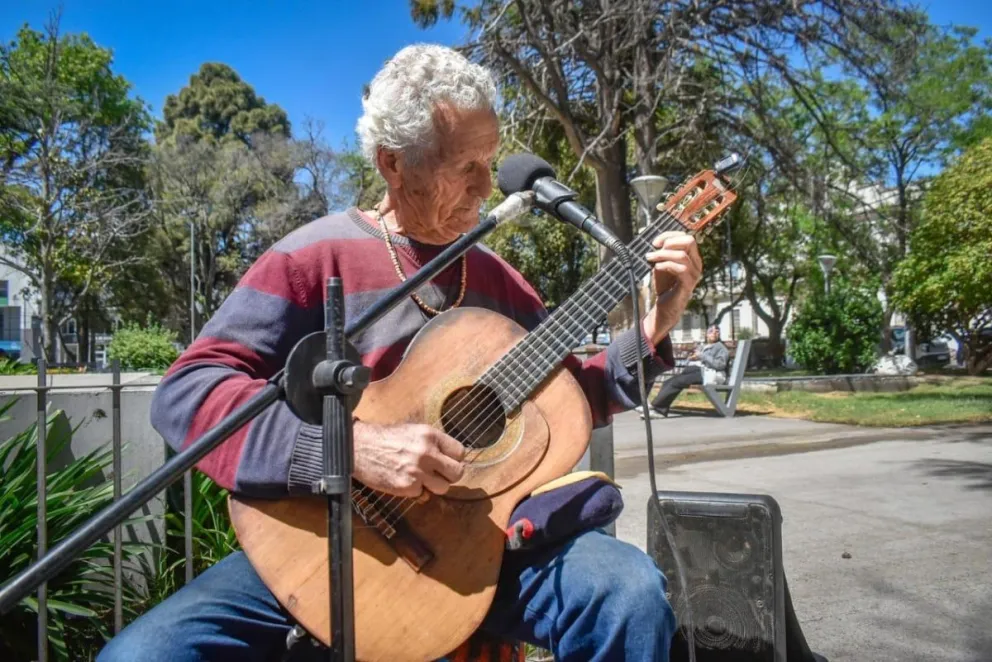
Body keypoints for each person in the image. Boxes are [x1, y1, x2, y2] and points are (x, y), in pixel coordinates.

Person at [98, 44, 703, 662]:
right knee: (141, 656)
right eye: (464, 164)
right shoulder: (312, 257)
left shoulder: (500, 280)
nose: (486, 184)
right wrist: (350, 448)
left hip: (473, 552)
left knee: (626, 592)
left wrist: (655, 323)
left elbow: (574, 395)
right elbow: (188, 391)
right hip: (320, 539)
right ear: (393, 162)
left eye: (490, 161)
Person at [648, 325, 728, 417]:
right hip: (701, 371)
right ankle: (658, 406)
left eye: (717, 331)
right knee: (669, 381)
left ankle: (658, 409)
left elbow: (720, 365)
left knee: (677, 381)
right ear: (707, 334)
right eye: (711, 331)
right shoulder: (705, 346)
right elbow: (702, 359)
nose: (714, 333)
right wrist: (694, 358)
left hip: (710, 374)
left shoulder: (721, 348)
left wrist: (702, 356)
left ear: (719, 334)